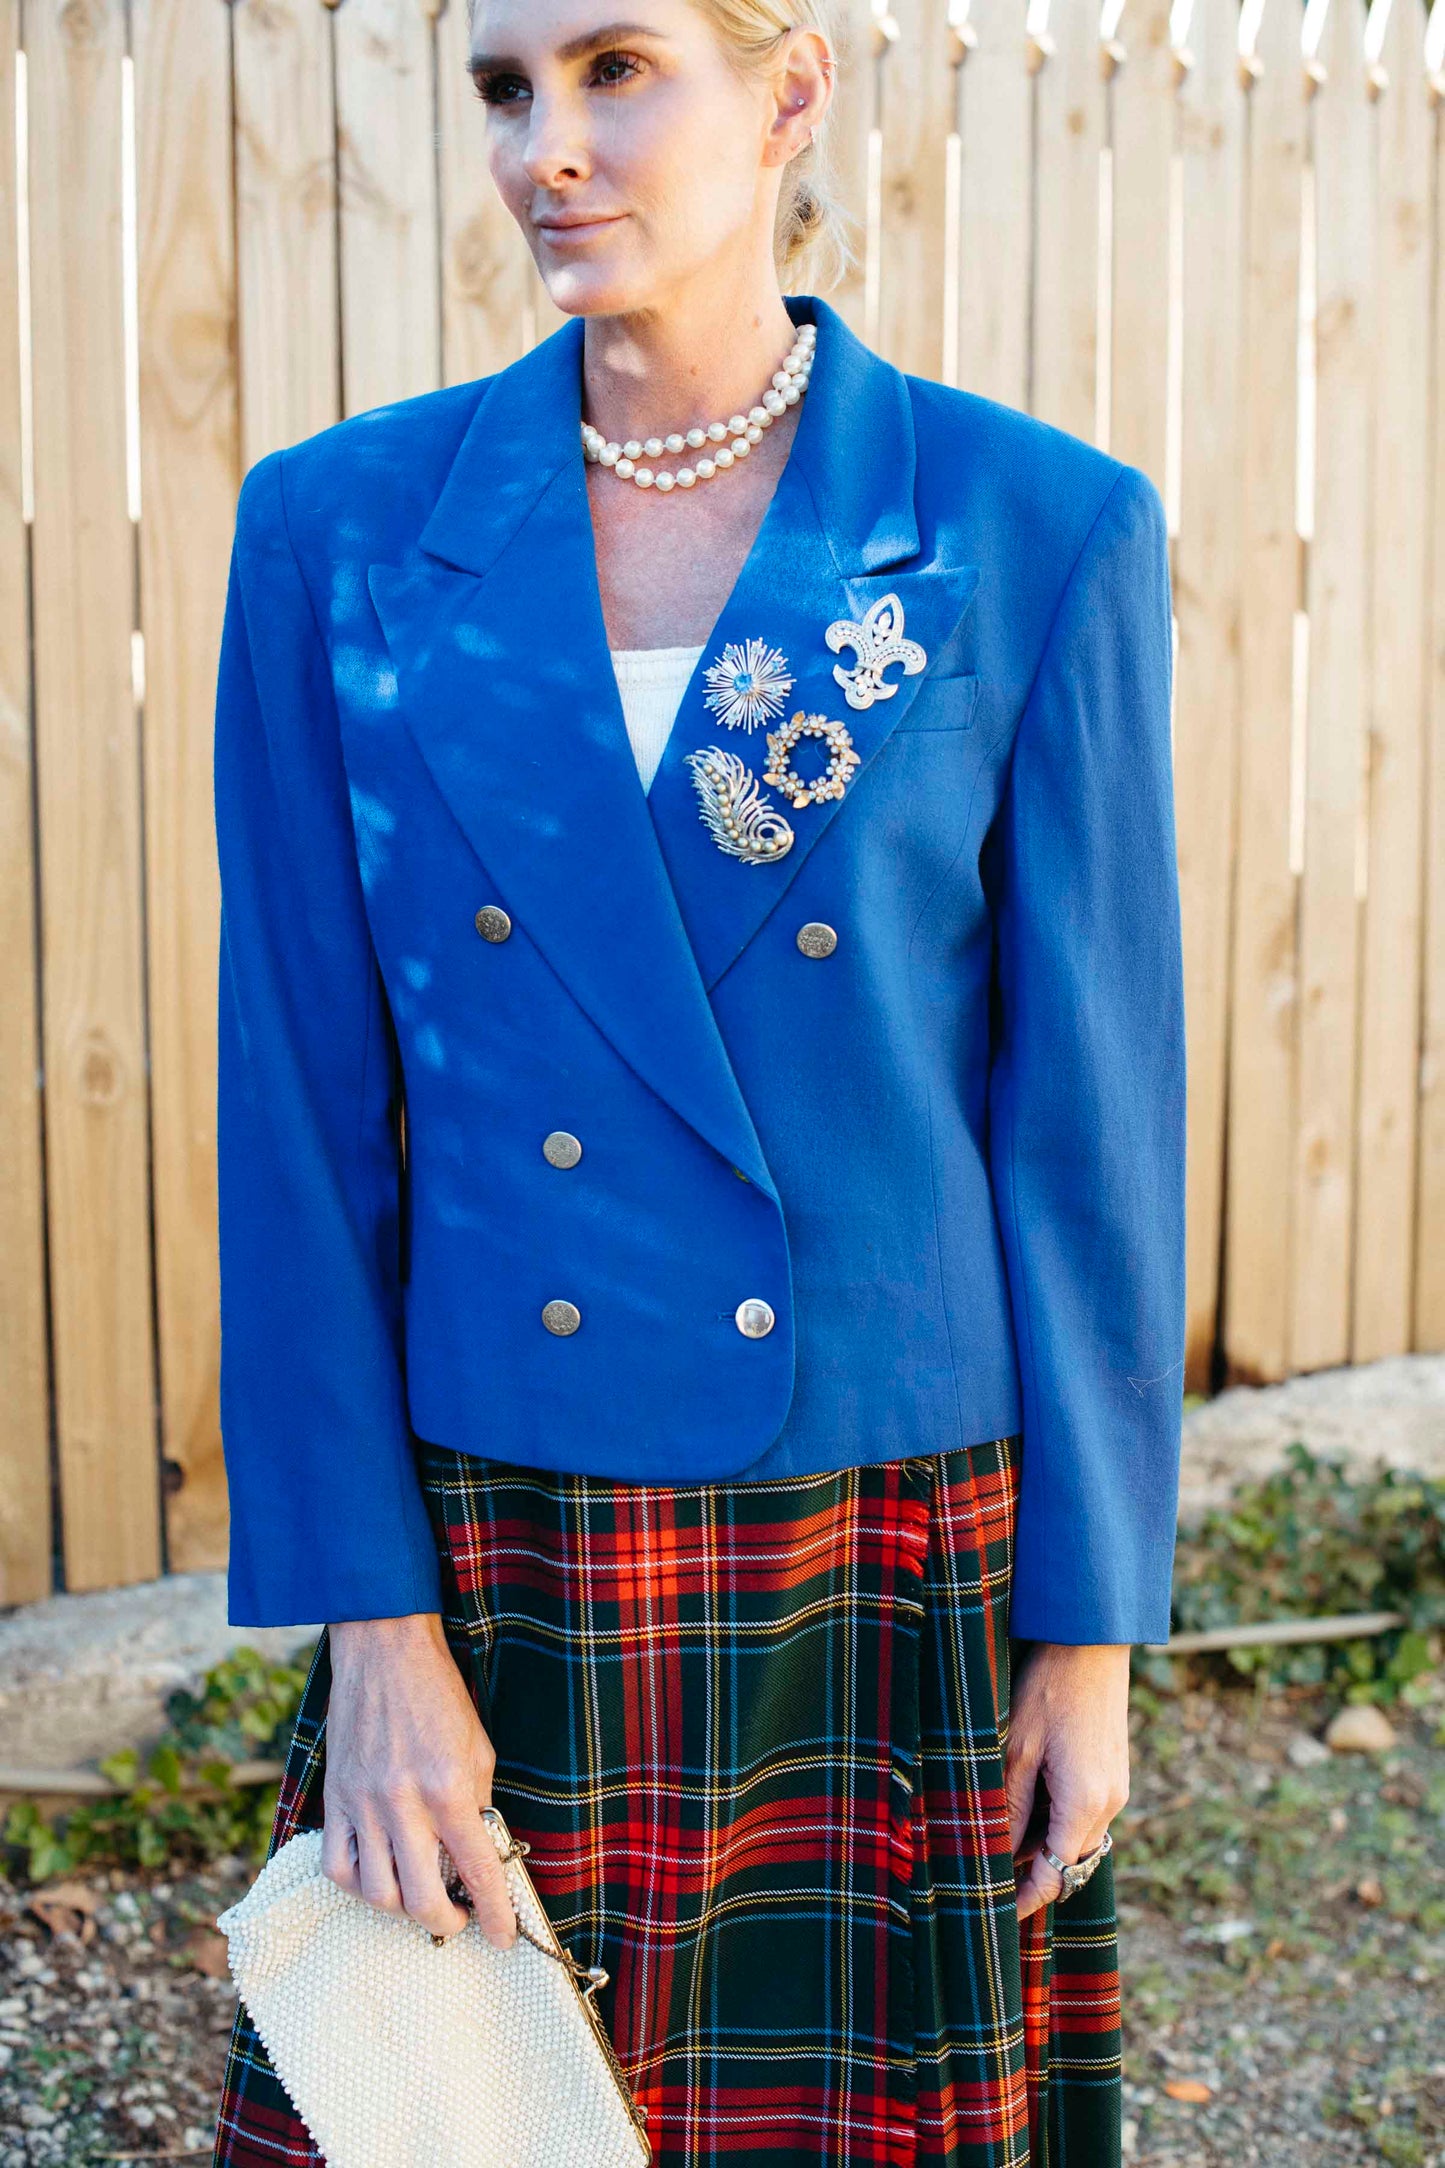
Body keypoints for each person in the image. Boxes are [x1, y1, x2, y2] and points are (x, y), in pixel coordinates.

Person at [209, 0, 1186, 2160]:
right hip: (501, 1536)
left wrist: (1088, 1632)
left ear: (791, 89)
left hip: (883, 1529)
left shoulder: (1033, 530)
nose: (548, 143)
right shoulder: (340, 536)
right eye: (503, 86)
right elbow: (295, 1116)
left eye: (618, 67)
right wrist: (377, 1638)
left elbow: (1087, 1129)